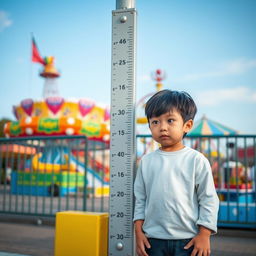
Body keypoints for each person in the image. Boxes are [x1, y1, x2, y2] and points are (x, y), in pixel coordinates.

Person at [134, 90, 219, 256]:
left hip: (189, 241)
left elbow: (208, 199)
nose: (163, 127)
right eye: (155, 122)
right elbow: (140, 199)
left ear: (187, 125)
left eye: (170, 120)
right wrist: (138, 232)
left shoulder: (196, 160)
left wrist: (204, 234)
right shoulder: (146, 162)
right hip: (153, 240)